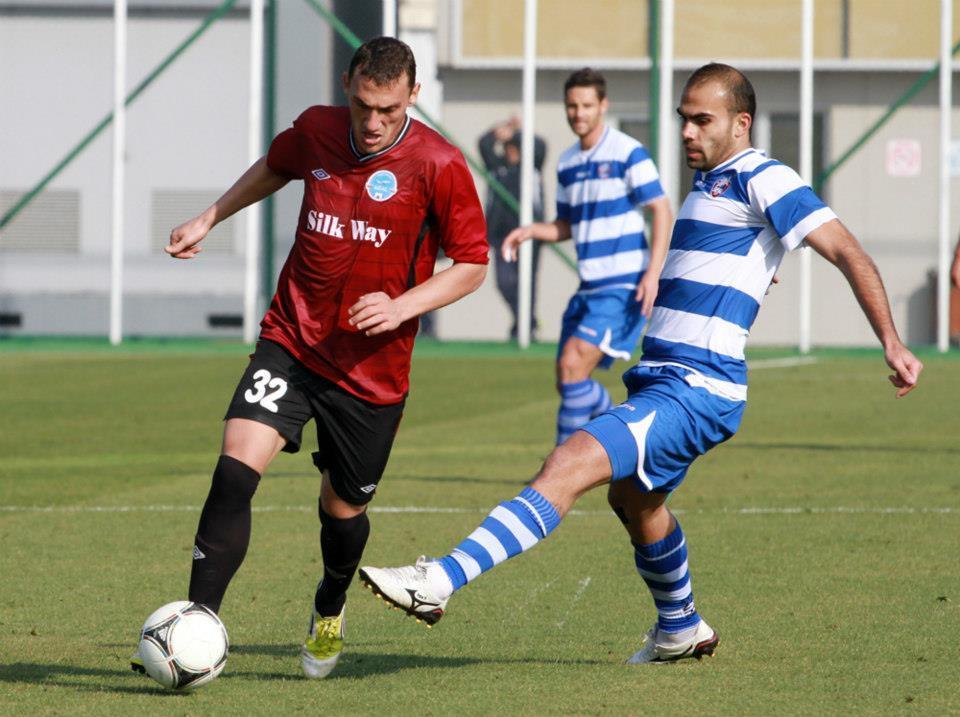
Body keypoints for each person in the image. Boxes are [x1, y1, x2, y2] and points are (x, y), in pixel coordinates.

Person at [358, 63, 923, 663]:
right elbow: (739, 251)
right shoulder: (711, 184)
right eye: (684, 119)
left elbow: (848, 251)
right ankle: (681, 626)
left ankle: (440, 580)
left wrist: (890, 341)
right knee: (636, 501)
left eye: (702, 120)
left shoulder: (764, 175)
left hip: (696, 387)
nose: (687, 132)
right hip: (663, 378)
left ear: (742, 123)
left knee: (567, 463)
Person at [131, 37, 488, 679]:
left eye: (387, 109)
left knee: (342, 511)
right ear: (347, 83)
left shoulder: (439, 162)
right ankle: (197, 624)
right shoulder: (318, 130)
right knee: (234, 471)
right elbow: (276, 165)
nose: (372, 122)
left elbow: (471, 264)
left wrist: (402, 307)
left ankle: (329, 604)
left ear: (413, 95)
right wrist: (210, 217)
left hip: (372, 374)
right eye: (362, 105)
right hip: (293, 339)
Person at [501, 68, 673, 445]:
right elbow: (566, 225)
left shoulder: (627, 152)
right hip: (588, 287)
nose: (578, 113)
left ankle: (559, 468)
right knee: (568, 382)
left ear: (603, 105)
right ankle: (616, 434)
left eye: (586, 105)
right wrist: (531, 230)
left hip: (624, 285)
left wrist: (652, 273)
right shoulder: (567, 163)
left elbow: (661, 208)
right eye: (572, 106)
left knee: (572, 367)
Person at [478, 116, 547, 340]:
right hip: (502, 235)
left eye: (516, 147)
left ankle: (525, 329)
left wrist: (518, 132)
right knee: (505, 282)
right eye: (508, 147)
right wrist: (502, 129)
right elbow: (484, 144)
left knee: (528, 282)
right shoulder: (497, 167)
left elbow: (540, 146)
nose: (512, 152)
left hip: (529, 235)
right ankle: (526, 321)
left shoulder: (532, 167)